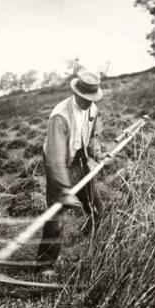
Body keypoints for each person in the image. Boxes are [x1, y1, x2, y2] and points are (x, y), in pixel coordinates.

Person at [37, 71, 106, 274]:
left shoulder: (92, 108)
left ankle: (88, 244)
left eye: (91, 99)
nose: (87, 103)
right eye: (84, 99)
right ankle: (45, 265)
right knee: (57, 214)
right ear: (77, 93)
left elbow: (91, 136)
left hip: (79, 159)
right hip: (57, 162)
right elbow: (56, 159)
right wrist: (63, 189)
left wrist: (98, 154)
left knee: (97, 208)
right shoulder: (60, 116)